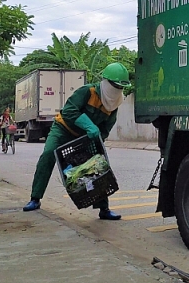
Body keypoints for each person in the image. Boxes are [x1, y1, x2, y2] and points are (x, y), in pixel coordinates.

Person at [23, 63, 130, 219]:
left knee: (95, 166)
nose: (117, 89)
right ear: (106, 82)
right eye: (114, 85)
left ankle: (104, 209)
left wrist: (97, 141)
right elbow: (69, 111)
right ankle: (35, 198)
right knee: (48, 155)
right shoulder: (88, 91)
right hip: (63, 129)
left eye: (120, 87)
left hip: (85, 137)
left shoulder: (114, 104)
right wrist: (88, 125)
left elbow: (105, 129)